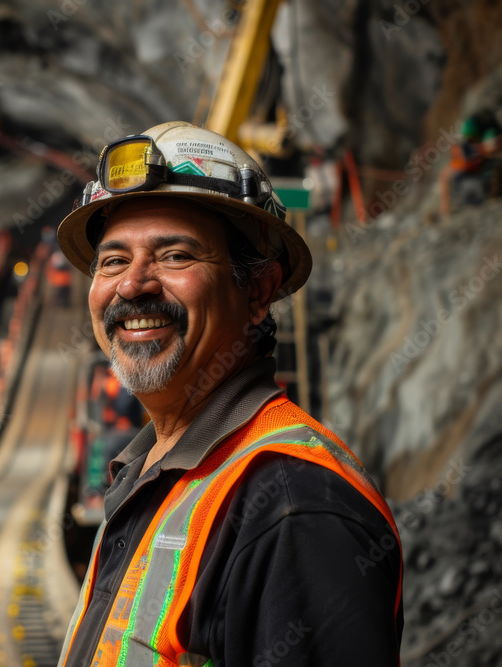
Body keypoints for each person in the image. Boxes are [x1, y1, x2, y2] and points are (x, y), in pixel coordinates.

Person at [55, 122, 402, 666]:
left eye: (175, 256)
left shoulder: (293, 507)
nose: (132, 285)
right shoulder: (155, 473)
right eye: (114, 260)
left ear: (258, 290)